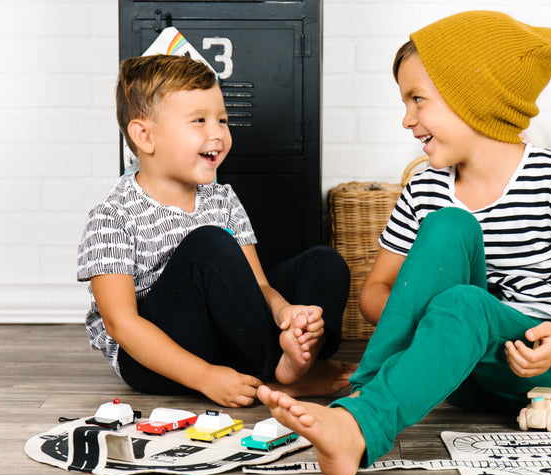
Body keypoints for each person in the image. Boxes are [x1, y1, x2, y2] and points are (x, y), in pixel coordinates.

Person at [258, 10, 551, 475]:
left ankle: (358, 418)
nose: (407, 119)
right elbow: (376, 293)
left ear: (473, 100)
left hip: (544, 364)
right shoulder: (426, 185)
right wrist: (424, 312)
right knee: (450, 228)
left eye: (417, 100)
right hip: (454, 365)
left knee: (465, 301)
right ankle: (364, 400)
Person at [77, 54, 355, 407]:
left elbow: (260, 286)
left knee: (323, 262)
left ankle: (295, 364)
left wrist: (287, 314)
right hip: (157, 358)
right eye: (199, 121)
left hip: (232, 336)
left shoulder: (221, 198)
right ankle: (276, 376)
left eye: (222, 120)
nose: (217, 133)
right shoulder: (112, 216)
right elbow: (122, 325)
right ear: (144, 136)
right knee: (208, 244)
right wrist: (204, 377)